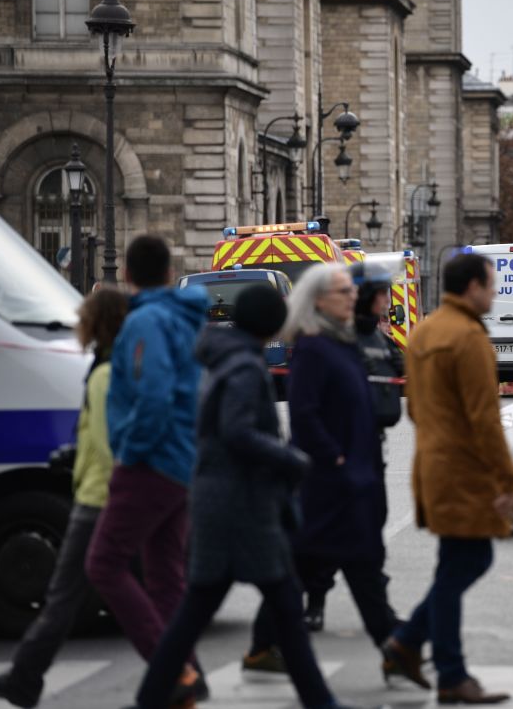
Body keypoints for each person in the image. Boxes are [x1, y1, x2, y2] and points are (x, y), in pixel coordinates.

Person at [129, 285, 356, 709]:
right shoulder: (246, 368)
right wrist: (291, 460)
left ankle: (149, 698)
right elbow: (237, 432)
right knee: (280, 605)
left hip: (223, 502)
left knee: (212, 609)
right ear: (271, 323)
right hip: (243, 507)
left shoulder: (223, 356)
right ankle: (320, 701)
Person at [380, 253, 513, 704]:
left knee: (458, 563)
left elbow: (417, 409)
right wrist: (507, 481)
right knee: (466, 563)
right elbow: (485, 419)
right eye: (491, 284)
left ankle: (410, 646)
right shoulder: (469, 338)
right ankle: (447, 670)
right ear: (473, 287)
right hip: (465, 469)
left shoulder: (424, 332)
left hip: (433, 464)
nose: (495, 292)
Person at [243, 263, 398, 673]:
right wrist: (337, 458)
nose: (353, 298)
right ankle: (395, 646)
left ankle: (265, 645)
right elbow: (306, 416)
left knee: (317, 563)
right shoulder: (312, 347)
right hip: (328, 478)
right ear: (319, 302)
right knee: (344, 563)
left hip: (352, 474)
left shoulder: (346, 341)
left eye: (353, 291)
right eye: (344, 292)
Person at [0, 291, 128, 709]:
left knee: (79, 590)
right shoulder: (114, 365)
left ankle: (176, 667)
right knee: (81, 591)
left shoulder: (103, 373)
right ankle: (25, 678)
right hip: (101, 491)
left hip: (96, 496)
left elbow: (105, 443)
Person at [84, 236, 209, 702]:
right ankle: (189, 671)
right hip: (181, 458)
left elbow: (152, 395)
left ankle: (172, 670)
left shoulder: (146, 321)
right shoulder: (181, 317)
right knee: (164, 577)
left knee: (104, 563)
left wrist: (129, 452)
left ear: (130, 276)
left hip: (151, 460)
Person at [300, 265, 405, 633]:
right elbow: (306, 411)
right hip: (338, 454)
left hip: (370, 447)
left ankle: (383, 619)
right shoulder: (330, 342)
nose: (383, 301)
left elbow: (399, 370)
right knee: (326, 541)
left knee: (369, 531)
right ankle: (312, 604)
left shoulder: (378, 338)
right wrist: (333, 454)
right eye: (378, 294)